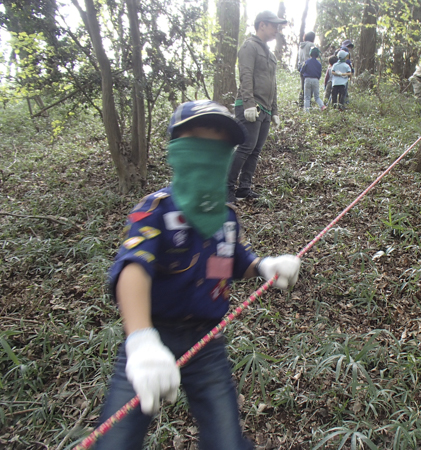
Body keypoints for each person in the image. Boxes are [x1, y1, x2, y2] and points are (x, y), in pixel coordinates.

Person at [94, 100, 302, 450]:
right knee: (115, 440)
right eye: (200, 145)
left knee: (226, 440)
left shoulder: (225, 218)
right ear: (179, 150)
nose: (211, 157)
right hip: (152, 338)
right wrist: (141, 340)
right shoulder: (154, 211)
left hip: (207, 344)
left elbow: (233, 260)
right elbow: (134, 266)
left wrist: (264, 266)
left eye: (220, 148)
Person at [228, 11, 287, 203]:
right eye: (274, 26)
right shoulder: (249, 47)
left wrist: (275, 111)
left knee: (256, 150)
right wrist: (248, 104)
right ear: (262, 25)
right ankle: (226, 189)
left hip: (266, 109)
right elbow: (245, 75)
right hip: (250, 107)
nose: (276, 31)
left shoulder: (270, 55)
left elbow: (273, 84)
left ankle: (244, 188)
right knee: (246, 147)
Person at [300, 47, 326, 112]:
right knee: (317, 96)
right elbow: (320, 73)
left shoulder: (306, 62)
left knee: (307, 97)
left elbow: (302, 70)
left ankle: (307, 111)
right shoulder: (319, 64)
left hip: (307, 79)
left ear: (310, 54)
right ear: (317, 55)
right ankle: (322, 106)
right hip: (316, 80)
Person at [298, 31, 316, 107]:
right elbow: (315, 55)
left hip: (301, 66)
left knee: (303, 84)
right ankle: (307, 102)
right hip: (309, 67)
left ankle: (301, 101)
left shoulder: (301, 45)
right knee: (310, 85)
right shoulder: (311, 45)